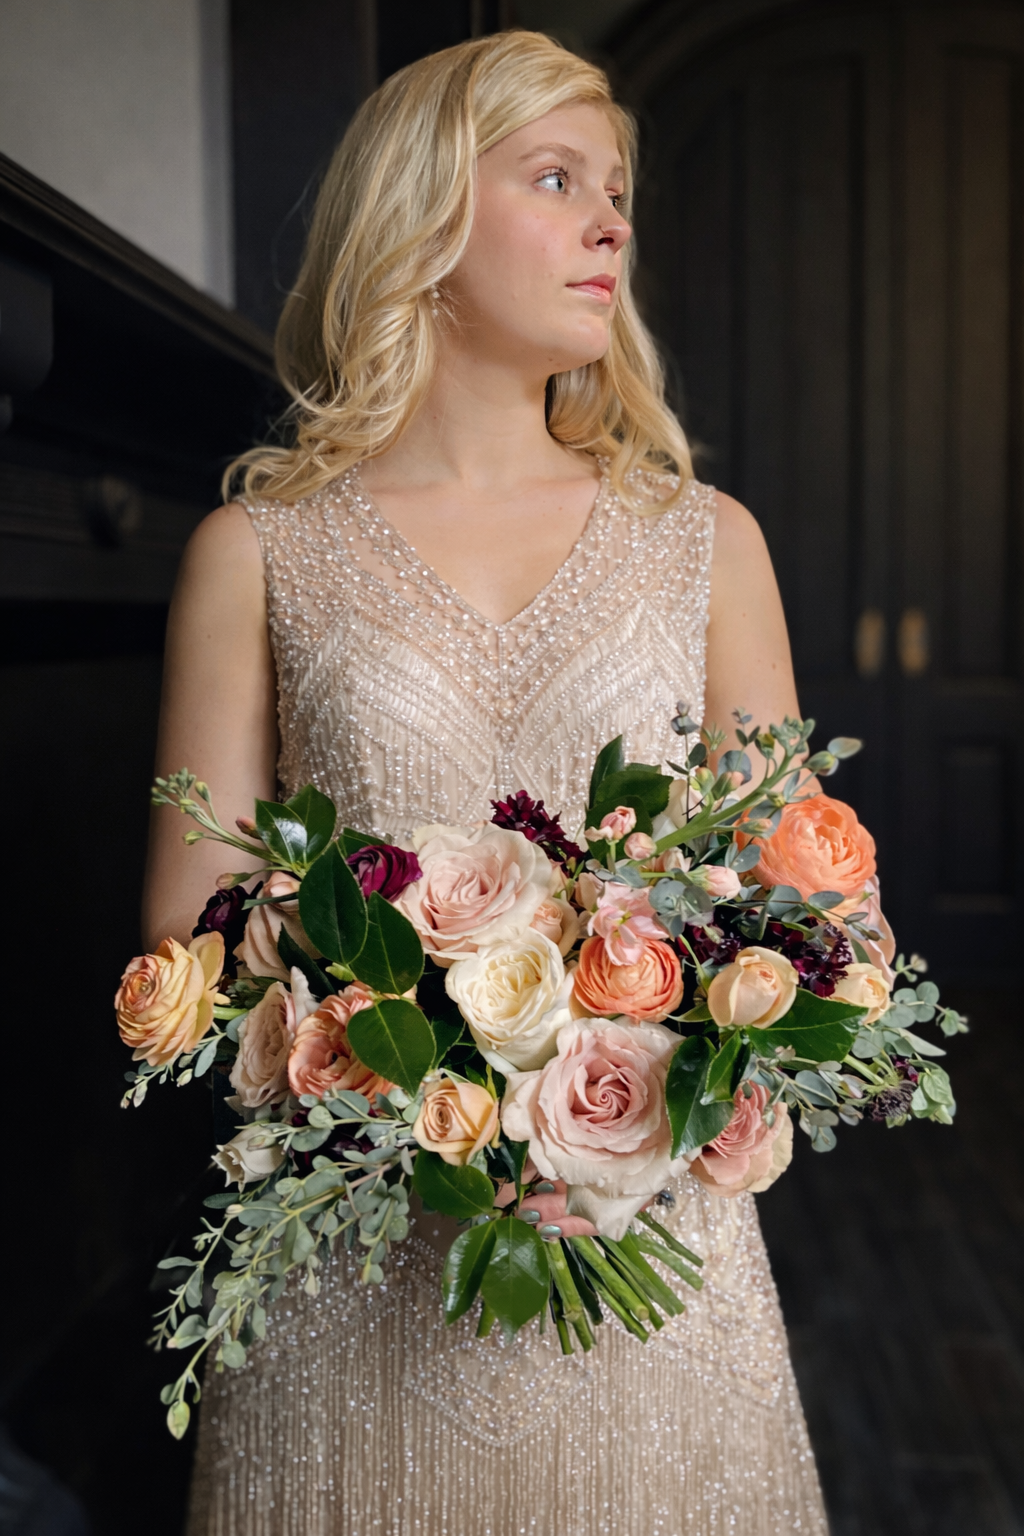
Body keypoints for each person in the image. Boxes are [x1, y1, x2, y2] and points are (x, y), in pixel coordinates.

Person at [145, 30, 828, 1536]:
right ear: (424, 225)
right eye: (557, 178)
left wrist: (667, 1038)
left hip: (662, 1283)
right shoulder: (257, 555)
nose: (612, 222)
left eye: (619, 188)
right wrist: (416, 1042)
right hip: (350, 1285)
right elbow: (185, 942)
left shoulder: (708, 542)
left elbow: (824, 910)